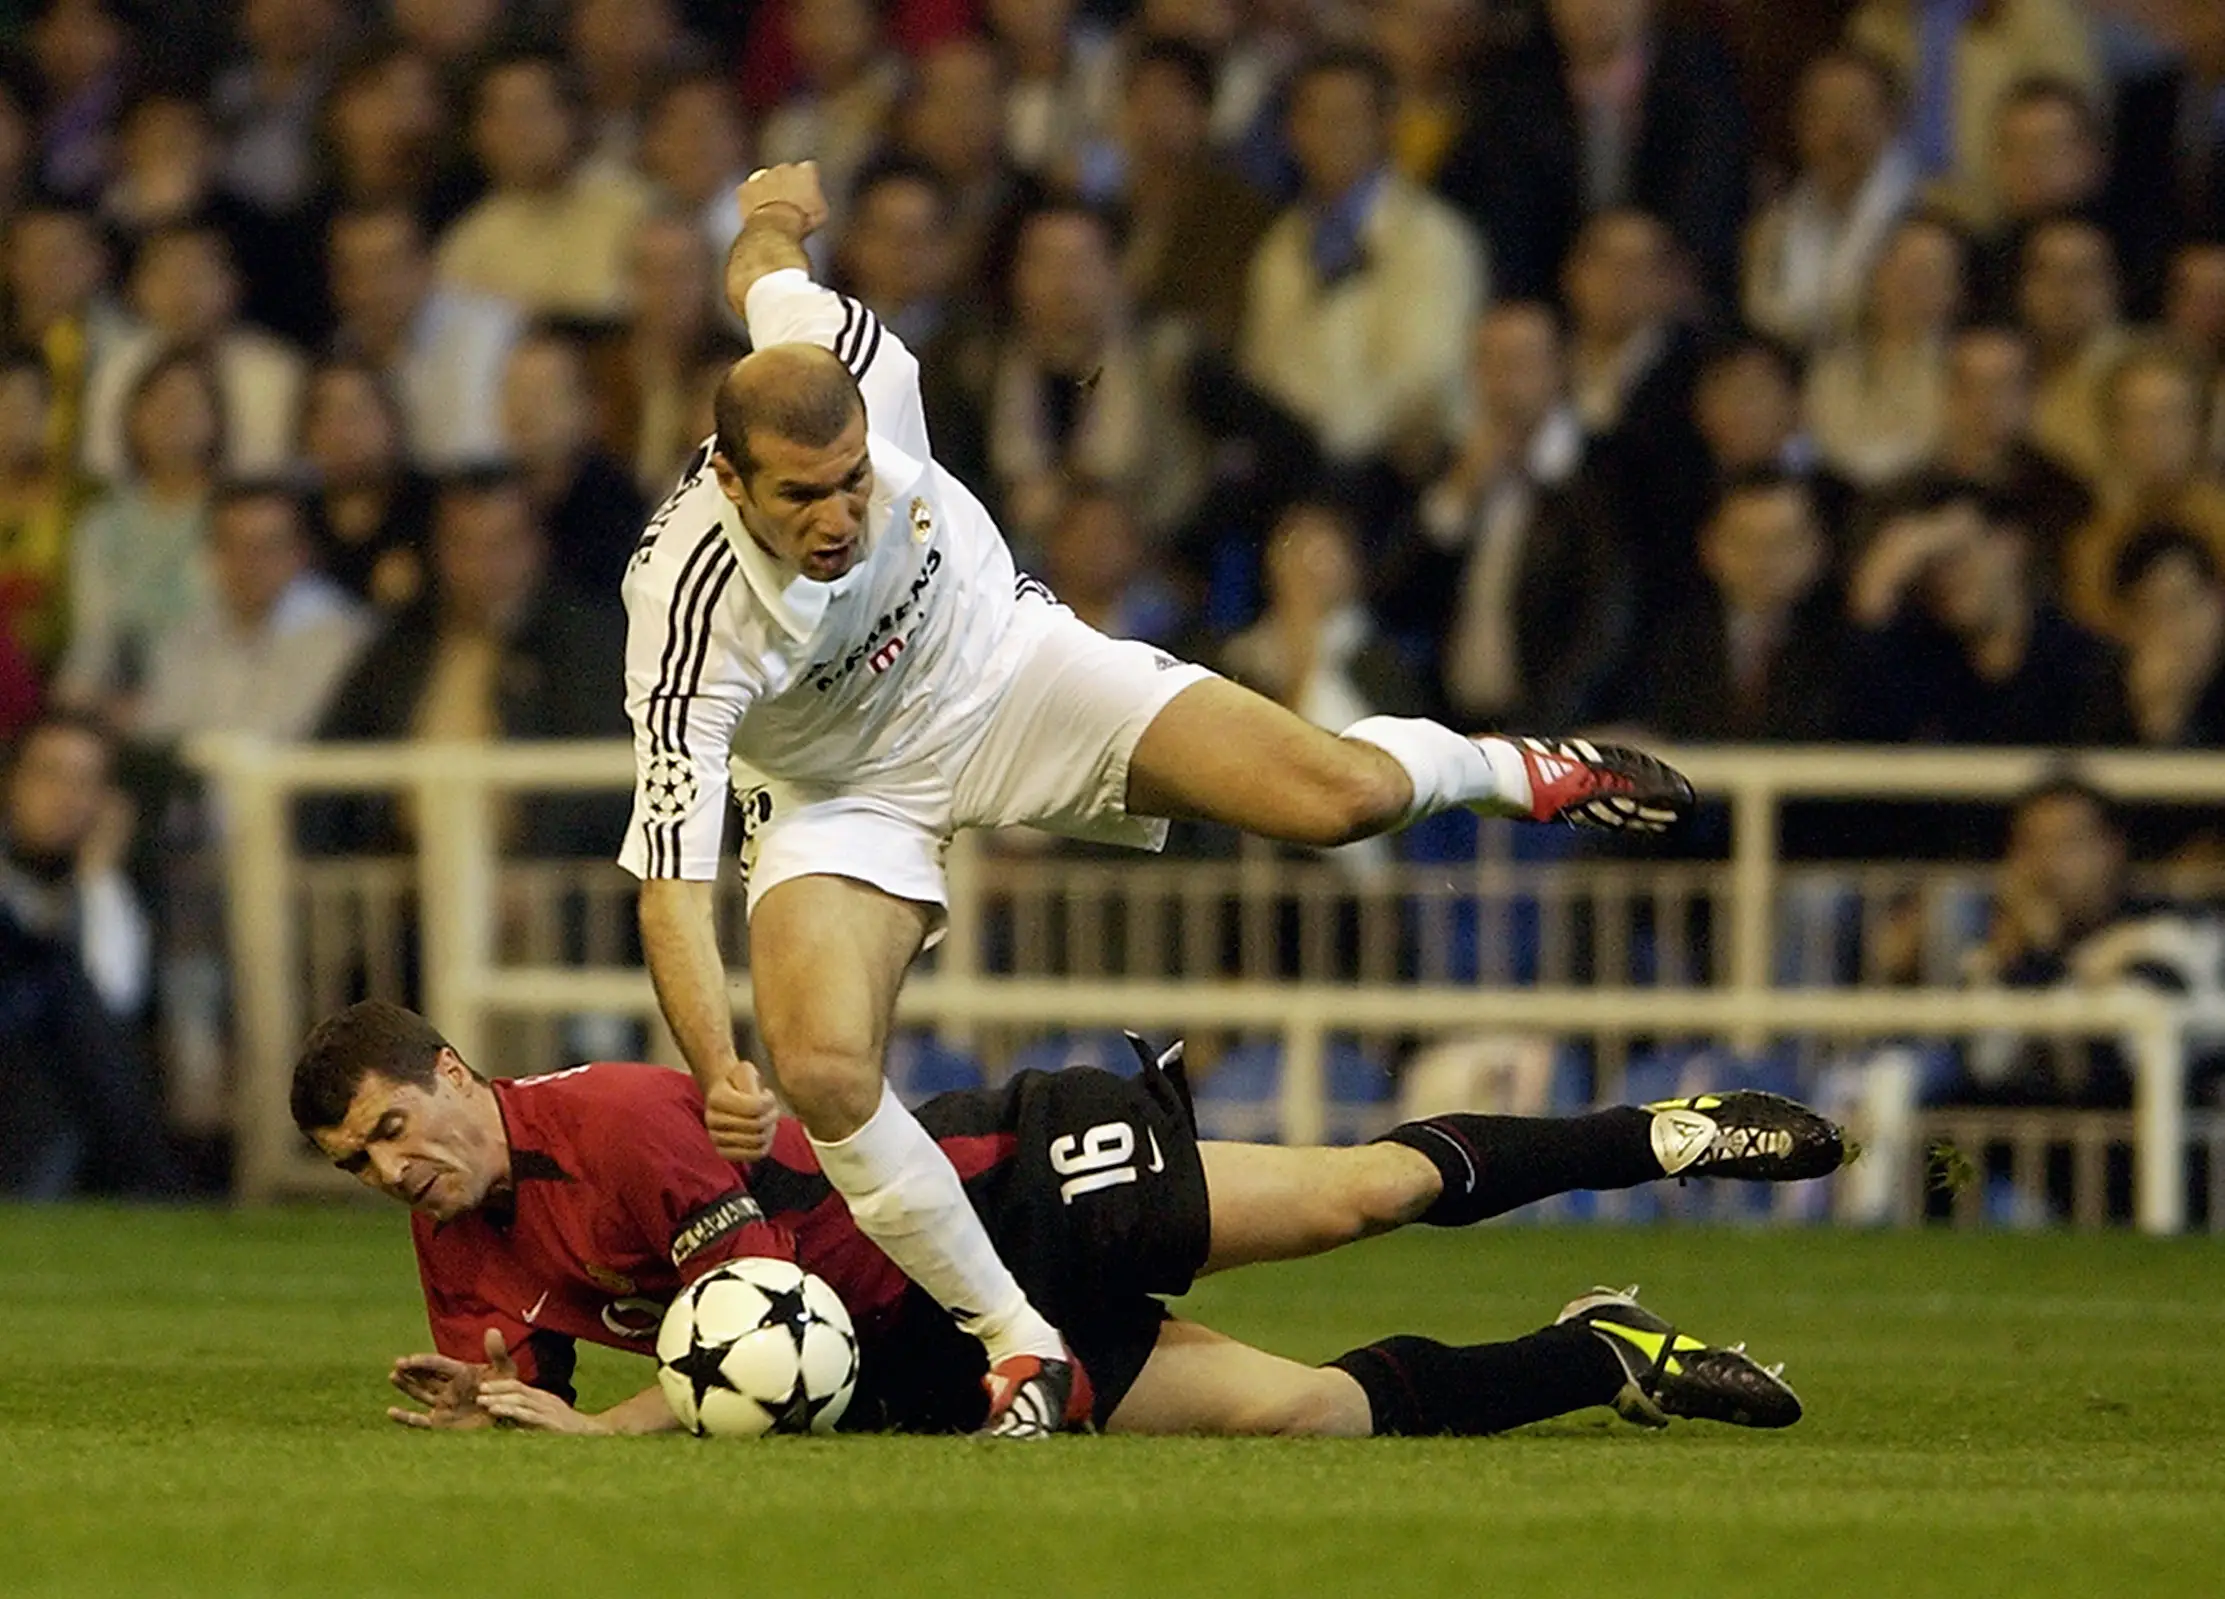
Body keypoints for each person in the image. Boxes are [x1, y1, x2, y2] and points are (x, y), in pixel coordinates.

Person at [617, 161, 1695, 1438]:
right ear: (732, 483)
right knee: (823, 1068)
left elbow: (765, 276)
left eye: (855, 477)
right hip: (840, 788)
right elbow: (673, 886)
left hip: (1004, 666)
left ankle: (1519, 769)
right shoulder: (682, 610)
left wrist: (771, 212)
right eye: (802, 495)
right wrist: (712, 1062)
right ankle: (1020, 1348)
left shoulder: (850, 355)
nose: (841, 513)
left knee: (1335, 795)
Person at [293, 1000, 1842, 1438]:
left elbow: (759, 1330)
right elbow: (548, 1377)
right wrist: (495, 1408)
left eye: (387, 1128)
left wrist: (602, 1435)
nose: (389, 1169)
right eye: (357, 1163)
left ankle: (1660, 1130)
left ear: (449, 1071)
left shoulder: (620, 1112)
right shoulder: (454, 1233)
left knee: (1357, 1195)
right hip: (927, 1355)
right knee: (1306, 1415)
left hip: (1007, 1185)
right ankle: (1599, 1354)